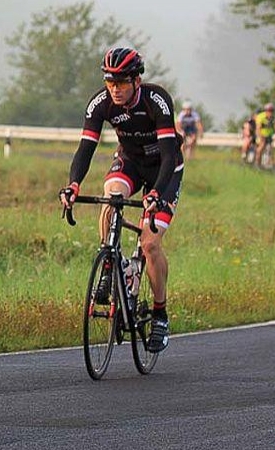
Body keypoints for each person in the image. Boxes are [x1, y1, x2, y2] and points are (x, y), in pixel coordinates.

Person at [59, 47, 183, 353]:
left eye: (121, 82)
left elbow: (169, 155)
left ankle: (160, 314)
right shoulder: (100, 103)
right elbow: (85, 149)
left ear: (136, 80)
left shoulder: (156, 101)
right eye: (110, 82)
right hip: (129, 161)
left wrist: (155, 193)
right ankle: (109, 263)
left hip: (163, 170)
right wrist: (73, 184)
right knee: (111, 196)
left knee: (150, 243)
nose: (115, 88)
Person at [255, 103, 275, 169]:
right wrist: (261, 137)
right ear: (266, 111)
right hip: (260, 135)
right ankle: (257, 164)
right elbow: (258, 128)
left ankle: (270, 164)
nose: (270, 112)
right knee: (260, 148)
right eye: (269, 111)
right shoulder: (260, 117)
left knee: (270, 149)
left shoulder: (274, 118)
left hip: (269, 135)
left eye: (272, 111)